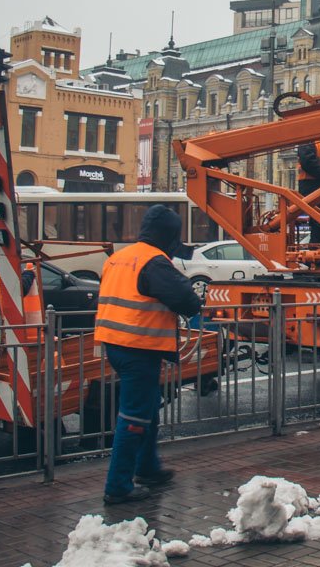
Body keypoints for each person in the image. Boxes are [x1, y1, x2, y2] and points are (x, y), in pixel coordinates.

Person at [94, 204, 200, 504]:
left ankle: (148, 467)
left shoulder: (119, 257)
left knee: (148, 406)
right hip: (138, 347)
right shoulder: (154, 262)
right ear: (168, 237)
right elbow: (187, 300)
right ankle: (118, 486)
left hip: (114, 342)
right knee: (134, 417)